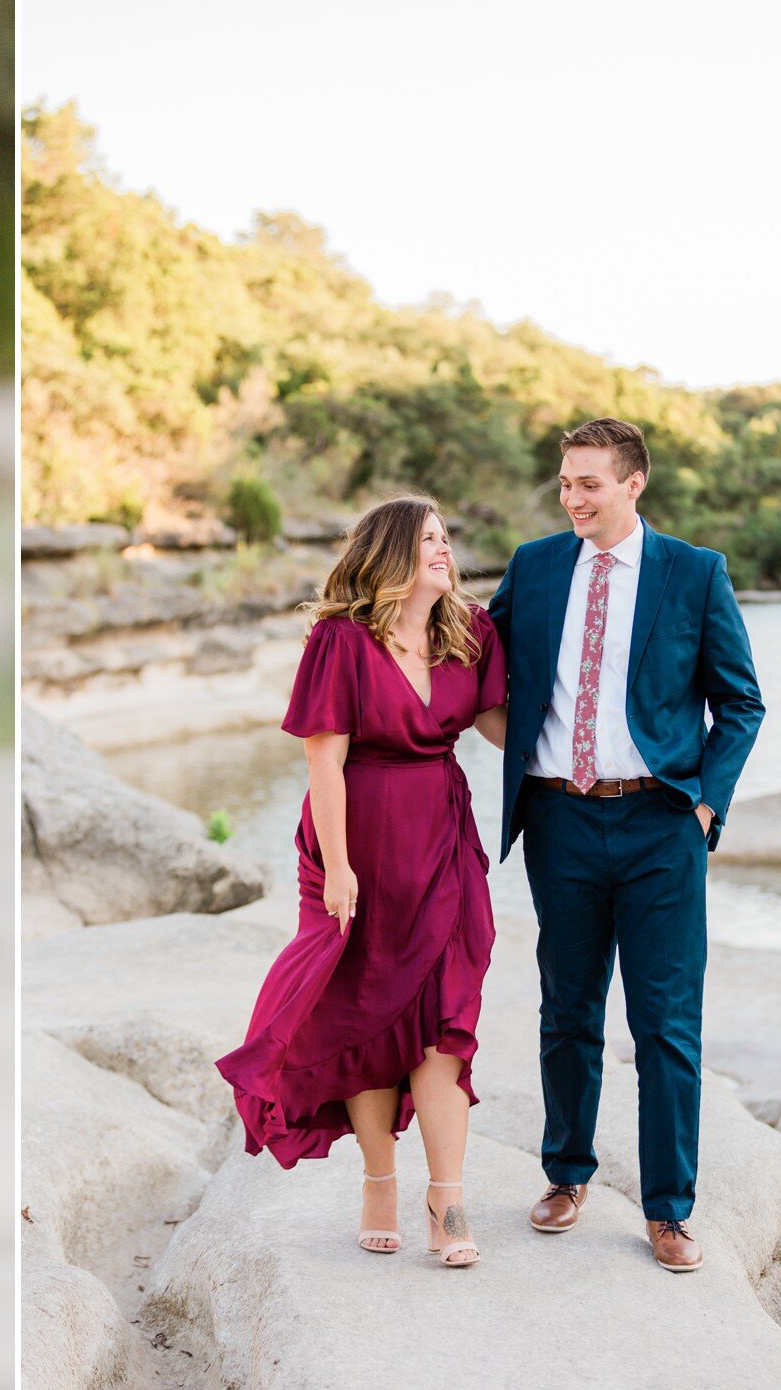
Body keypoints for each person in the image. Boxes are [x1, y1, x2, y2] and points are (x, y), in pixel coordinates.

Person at [487, 416, 763, 1273]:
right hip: (560, 821)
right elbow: (476, 661)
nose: (573, 498)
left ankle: (669, 1210)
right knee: (566, 1010)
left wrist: (707, 805)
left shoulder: (694, 572)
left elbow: (741, 703)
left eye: (589, 483)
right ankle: (566, 1174)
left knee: (667, 1026)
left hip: (661, 825)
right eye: (565, 482)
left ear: (633, 483)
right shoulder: (534, 568)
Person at [216, 495, 508, 1267]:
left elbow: (506, 727)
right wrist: (340, 867)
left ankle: (448, 1200)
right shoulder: (340, 641)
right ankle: (380, 1178)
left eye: (448, 537)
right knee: (364, 1012)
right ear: (389, 556)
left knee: (446, 1020)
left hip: (442, 839)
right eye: (428, 541)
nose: (445, 551)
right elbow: (323, 759)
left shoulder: (470, 633)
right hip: (357, 843)